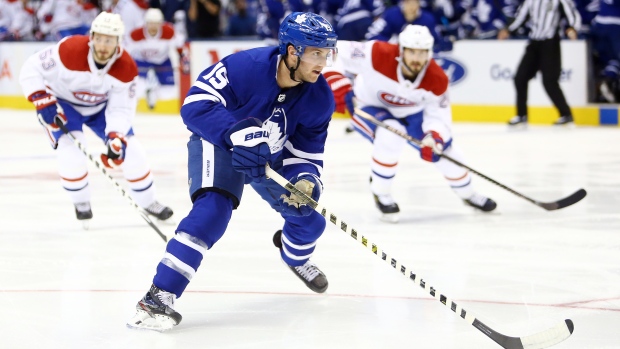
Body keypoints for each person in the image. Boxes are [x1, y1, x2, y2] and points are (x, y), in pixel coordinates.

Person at [126, 12, 337, 331]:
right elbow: (195, 104)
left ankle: (295, 258)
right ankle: (158, 297)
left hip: (268, 157)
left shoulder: (320, 97)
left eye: (326, 53)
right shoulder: (246, 67)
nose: (322, 62)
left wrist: (305, 180)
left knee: (309, 219)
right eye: (315, 53)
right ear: (292, 51)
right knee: (212, 211)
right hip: (220, 144)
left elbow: (307, 151)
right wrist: (236, 134)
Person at [324, 25, 497, 223]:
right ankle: (381, 193)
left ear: (429, 53)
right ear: (401, 50)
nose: (416, 58)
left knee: (447, 153)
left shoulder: (437, 79)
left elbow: (438, 115)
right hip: (368, 105)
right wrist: (336, 80)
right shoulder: (377, 53)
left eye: (422, 53)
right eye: (412, 51)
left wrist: (434, 137)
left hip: (413, 113)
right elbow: (331, 49)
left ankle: (468, 194)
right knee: (391, 135)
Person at [18, 12, 174, 225]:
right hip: (63, 104)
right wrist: (41, 99)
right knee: (71, 151)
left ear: (118, 42)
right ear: (91, 37)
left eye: (109, 40)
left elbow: (120, 108)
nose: (102, 45)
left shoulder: (126, 67)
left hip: (100, 108)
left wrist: (115, 136)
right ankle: (81, 201)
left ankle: (148, 201)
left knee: (132, 151)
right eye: (99, 38)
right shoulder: (69, 49)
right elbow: (31, 67)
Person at [498, 0, 582, 126]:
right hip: (534, 43)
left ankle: (566, 114)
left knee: (549, 81)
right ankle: (522, 115)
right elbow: (521, 17)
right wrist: (508, 30)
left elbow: (573, 15)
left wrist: (573, 28)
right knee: (520, 78)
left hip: (550, 43)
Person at [125, 8, 188, 110]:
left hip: (162, 61)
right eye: (150, 23)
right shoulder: (136, 34)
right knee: (138, 87)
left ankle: (152, 92)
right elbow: (126, 51)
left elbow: (179, 46)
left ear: (160, 23)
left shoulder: (169, 32)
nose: (153, 26)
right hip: (142, 61)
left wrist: (183, 60)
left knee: (169, 92)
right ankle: (130, 106)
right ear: (146, 23)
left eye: (156, 23)